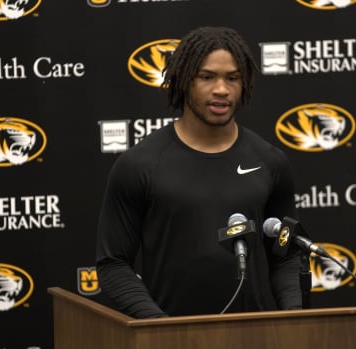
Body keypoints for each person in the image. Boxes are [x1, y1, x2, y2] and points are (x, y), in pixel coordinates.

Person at [95, 26, 302, 318]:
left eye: (232, 78)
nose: (221, 89)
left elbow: (286, 252)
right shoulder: (140, 165)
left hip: (258, 336)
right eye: (206, 77)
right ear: (183, 82)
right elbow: (113, 264)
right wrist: (161, 329)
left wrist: (293, 318)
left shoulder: (270, 161)